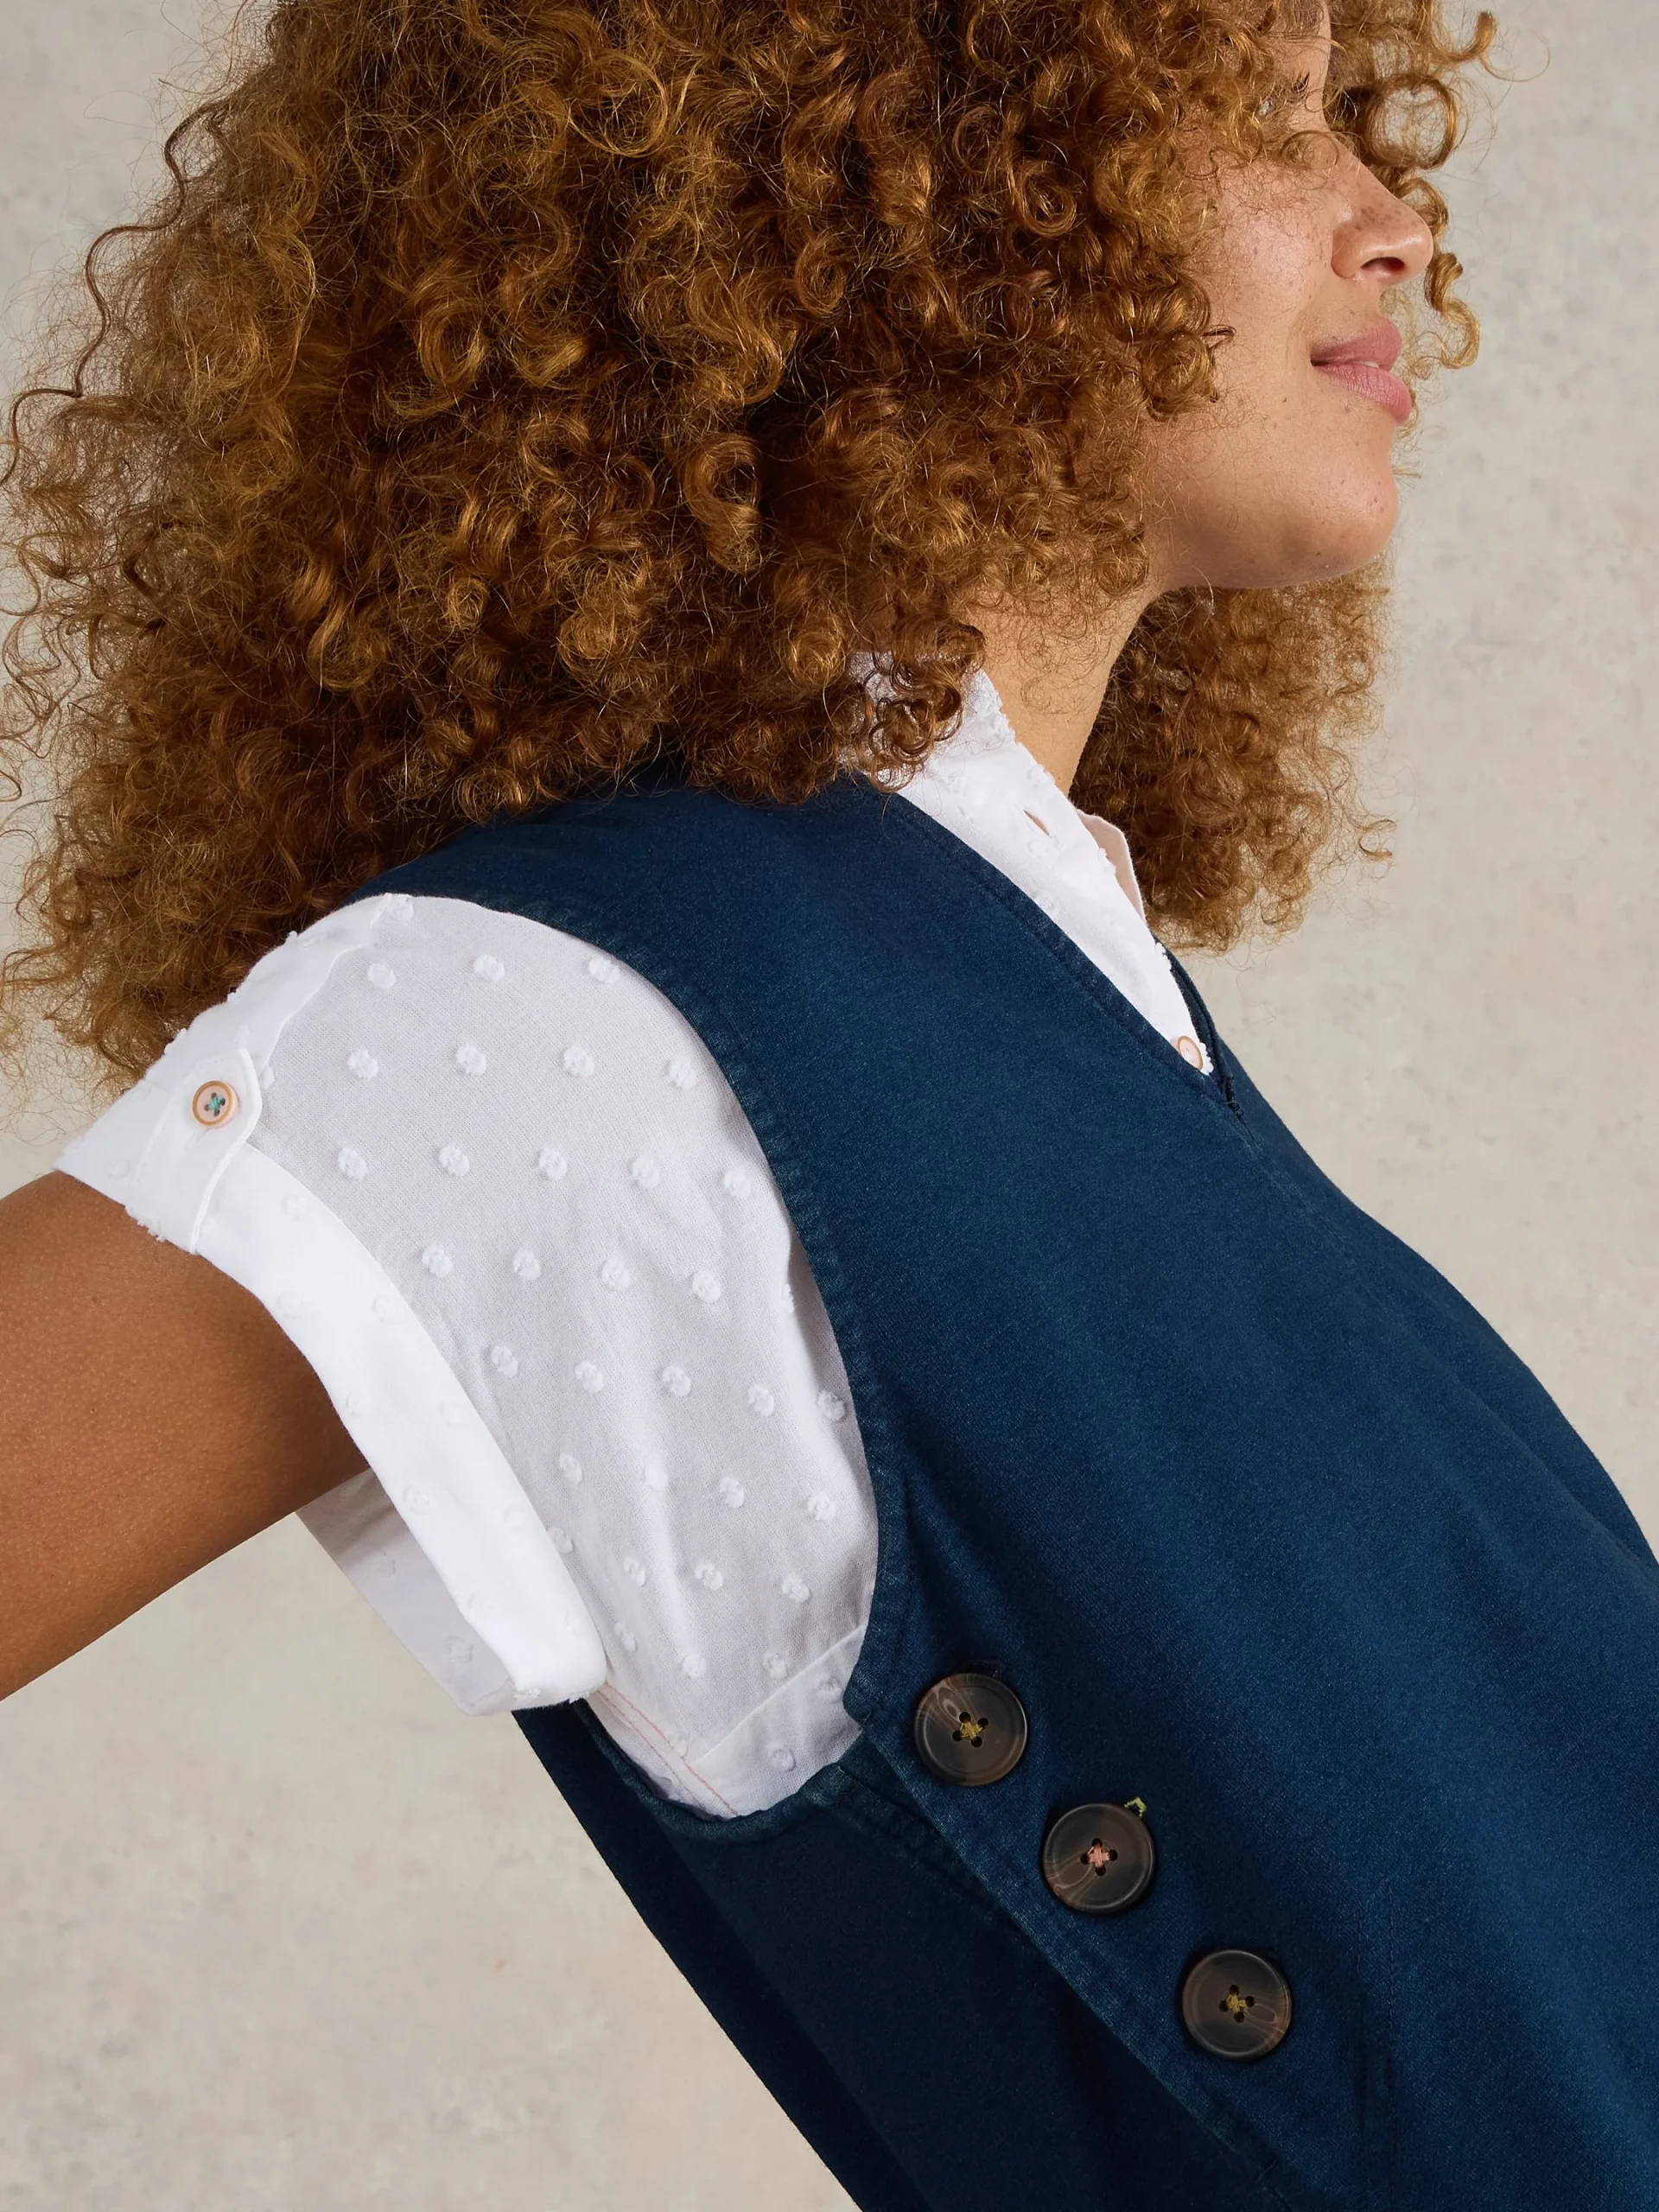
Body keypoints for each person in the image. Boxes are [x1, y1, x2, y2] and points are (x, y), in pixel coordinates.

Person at [6, 0, 1656, 2205]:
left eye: (1361, 114)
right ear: (936, 182)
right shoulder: (552, 1018)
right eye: (1268, 113)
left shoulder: (1079, 989)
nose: (1395, 222)